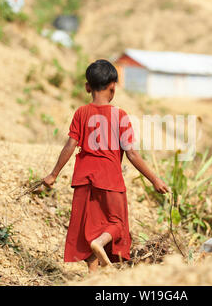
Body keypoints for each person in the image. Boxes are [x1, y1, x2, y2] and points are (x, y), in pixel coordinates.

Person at [42, 59, 169, 273]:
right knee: (117, 224)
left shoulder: (81, 113)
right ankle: (99, 244)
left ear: (87, 87)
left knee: (89, 226)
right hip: (110, 178)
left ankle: (94, 276)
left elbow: (70, 145)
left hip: (83, 178)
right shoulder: (120, 116)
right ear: (113, 86)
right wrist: (155, 179)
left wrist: (53, 174)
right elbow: (132, 153)